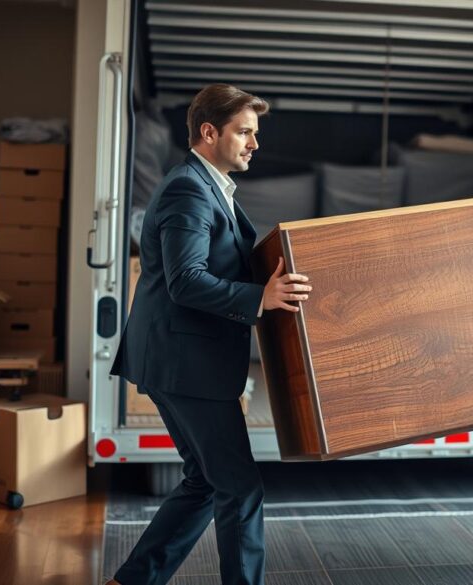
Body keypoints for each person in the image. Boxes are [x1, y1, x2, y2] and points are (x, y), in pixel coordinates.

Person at [107, 84, 311, 585]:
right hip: (187, 366)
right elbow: (186, 280)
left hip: (178, 361)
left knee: (204, 482)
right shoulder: (189, 190)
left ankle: (129, 581)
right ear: (209, 132)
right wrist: (260, 297)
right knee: (238, 488)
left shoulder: (208, 186)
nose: (254, 144)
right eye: (244, 132)